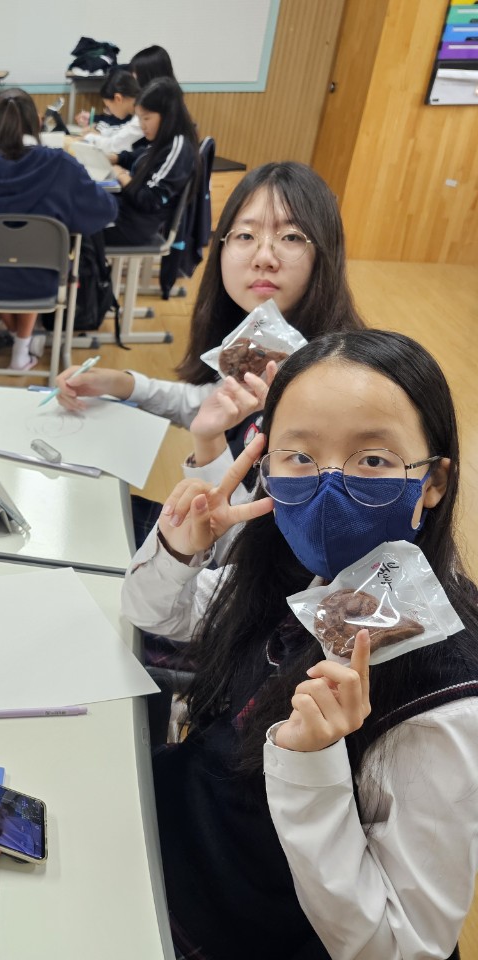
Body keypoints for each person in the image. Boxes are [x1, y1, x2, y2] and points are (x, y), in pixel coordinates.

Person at [122, 329, 478, 959]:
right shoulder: (297, 573)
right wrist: (182, 545)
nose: (329, 486)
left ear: (433, 482)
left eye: (372, 459)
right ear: (266, 467)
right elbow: (159, 618)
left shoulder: (445, 698)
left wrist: (314, 763)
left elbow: (403, 946)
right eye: (300, 456)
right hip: (172, 843)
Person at [55, 162, 362, 488]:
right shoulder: (266, 335)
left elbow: (258, 532)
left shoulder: (334, 386)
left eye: (291, 236)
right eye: (245, 235)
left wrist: (209, 447)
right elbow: (215, 401)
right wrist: (122, 384)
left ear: (326, 251)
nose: (264, 256)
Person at [0, 89, 116, 371]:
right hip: (44, 280)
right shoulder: (61, 165)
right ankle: (22, 346)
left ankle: (19, 340)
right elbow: (106, 209)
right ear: (37, 124)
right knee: (32, 257)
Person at [104, 77, 198, 247]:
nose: (142, 125)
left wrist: (120, 175)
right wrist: (115, 158)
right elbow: (141, 158)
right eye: (139, 119)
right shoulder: (163, 140)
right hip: (127, 213)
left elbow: (149, 200)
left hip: (135, 226)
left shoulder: (178, 147)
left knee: (80, 227)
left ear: (168, 116)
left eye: (146, 119)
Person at [78, 69, 143, 155]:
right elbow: (121, 132)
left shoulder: (142, 117)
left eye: (108, 107)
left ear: (118, 99)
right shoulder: (137, 113)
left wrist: (88, 137)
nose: (109, 111)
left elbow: (113, 145)